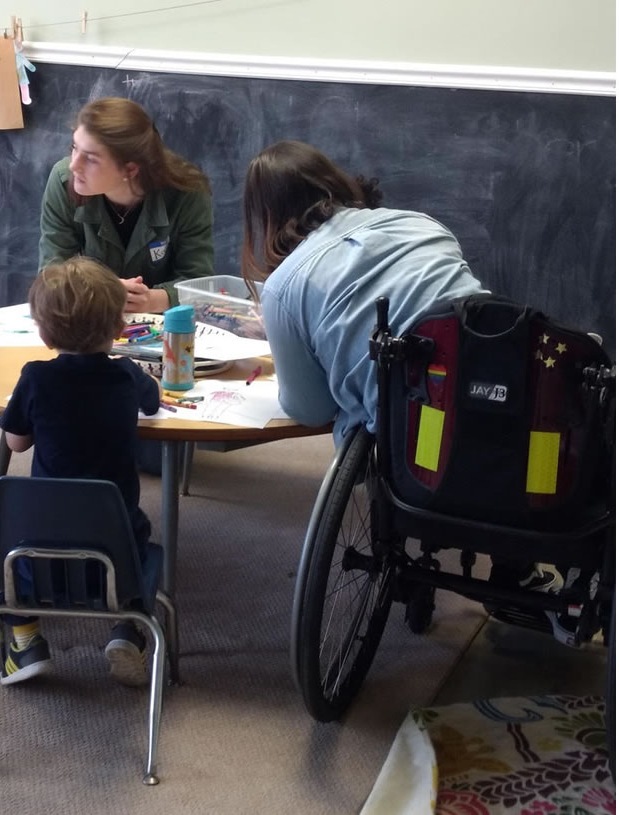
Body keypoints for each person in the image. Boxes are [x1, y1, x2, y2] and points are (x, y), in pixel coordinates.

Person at [239, 140, 567, 633]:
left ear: (263, 218)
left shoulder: (285, 285)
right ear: (335, 183)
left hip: (416, 443)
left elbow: (307, 408)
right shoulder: (420, 224)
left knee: (381, 407)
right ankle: (519, 564)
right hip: (511, 396)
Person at [0, 256, 162, 686]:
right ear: (119, 328)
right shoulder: (126, 375)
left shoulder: (34, 377)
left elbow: (16, 443)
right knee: (144, 547)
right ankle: (127, 629)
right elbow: (153, 402)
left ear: (44, 332)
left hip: (36, 551)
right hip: (113, 546)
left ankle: (26, 638)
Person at [39, 96, 214, 313]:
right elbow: (51, 274)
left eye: (91, 159)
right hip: (88, 318)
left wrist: (153, 299)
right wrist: (101, 291)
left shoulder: (187, 192)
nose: (75, 165)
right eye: (74, 148)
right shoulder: (63, 179)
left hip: (162, 326)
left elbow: (198, 282)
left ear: (130, 169)